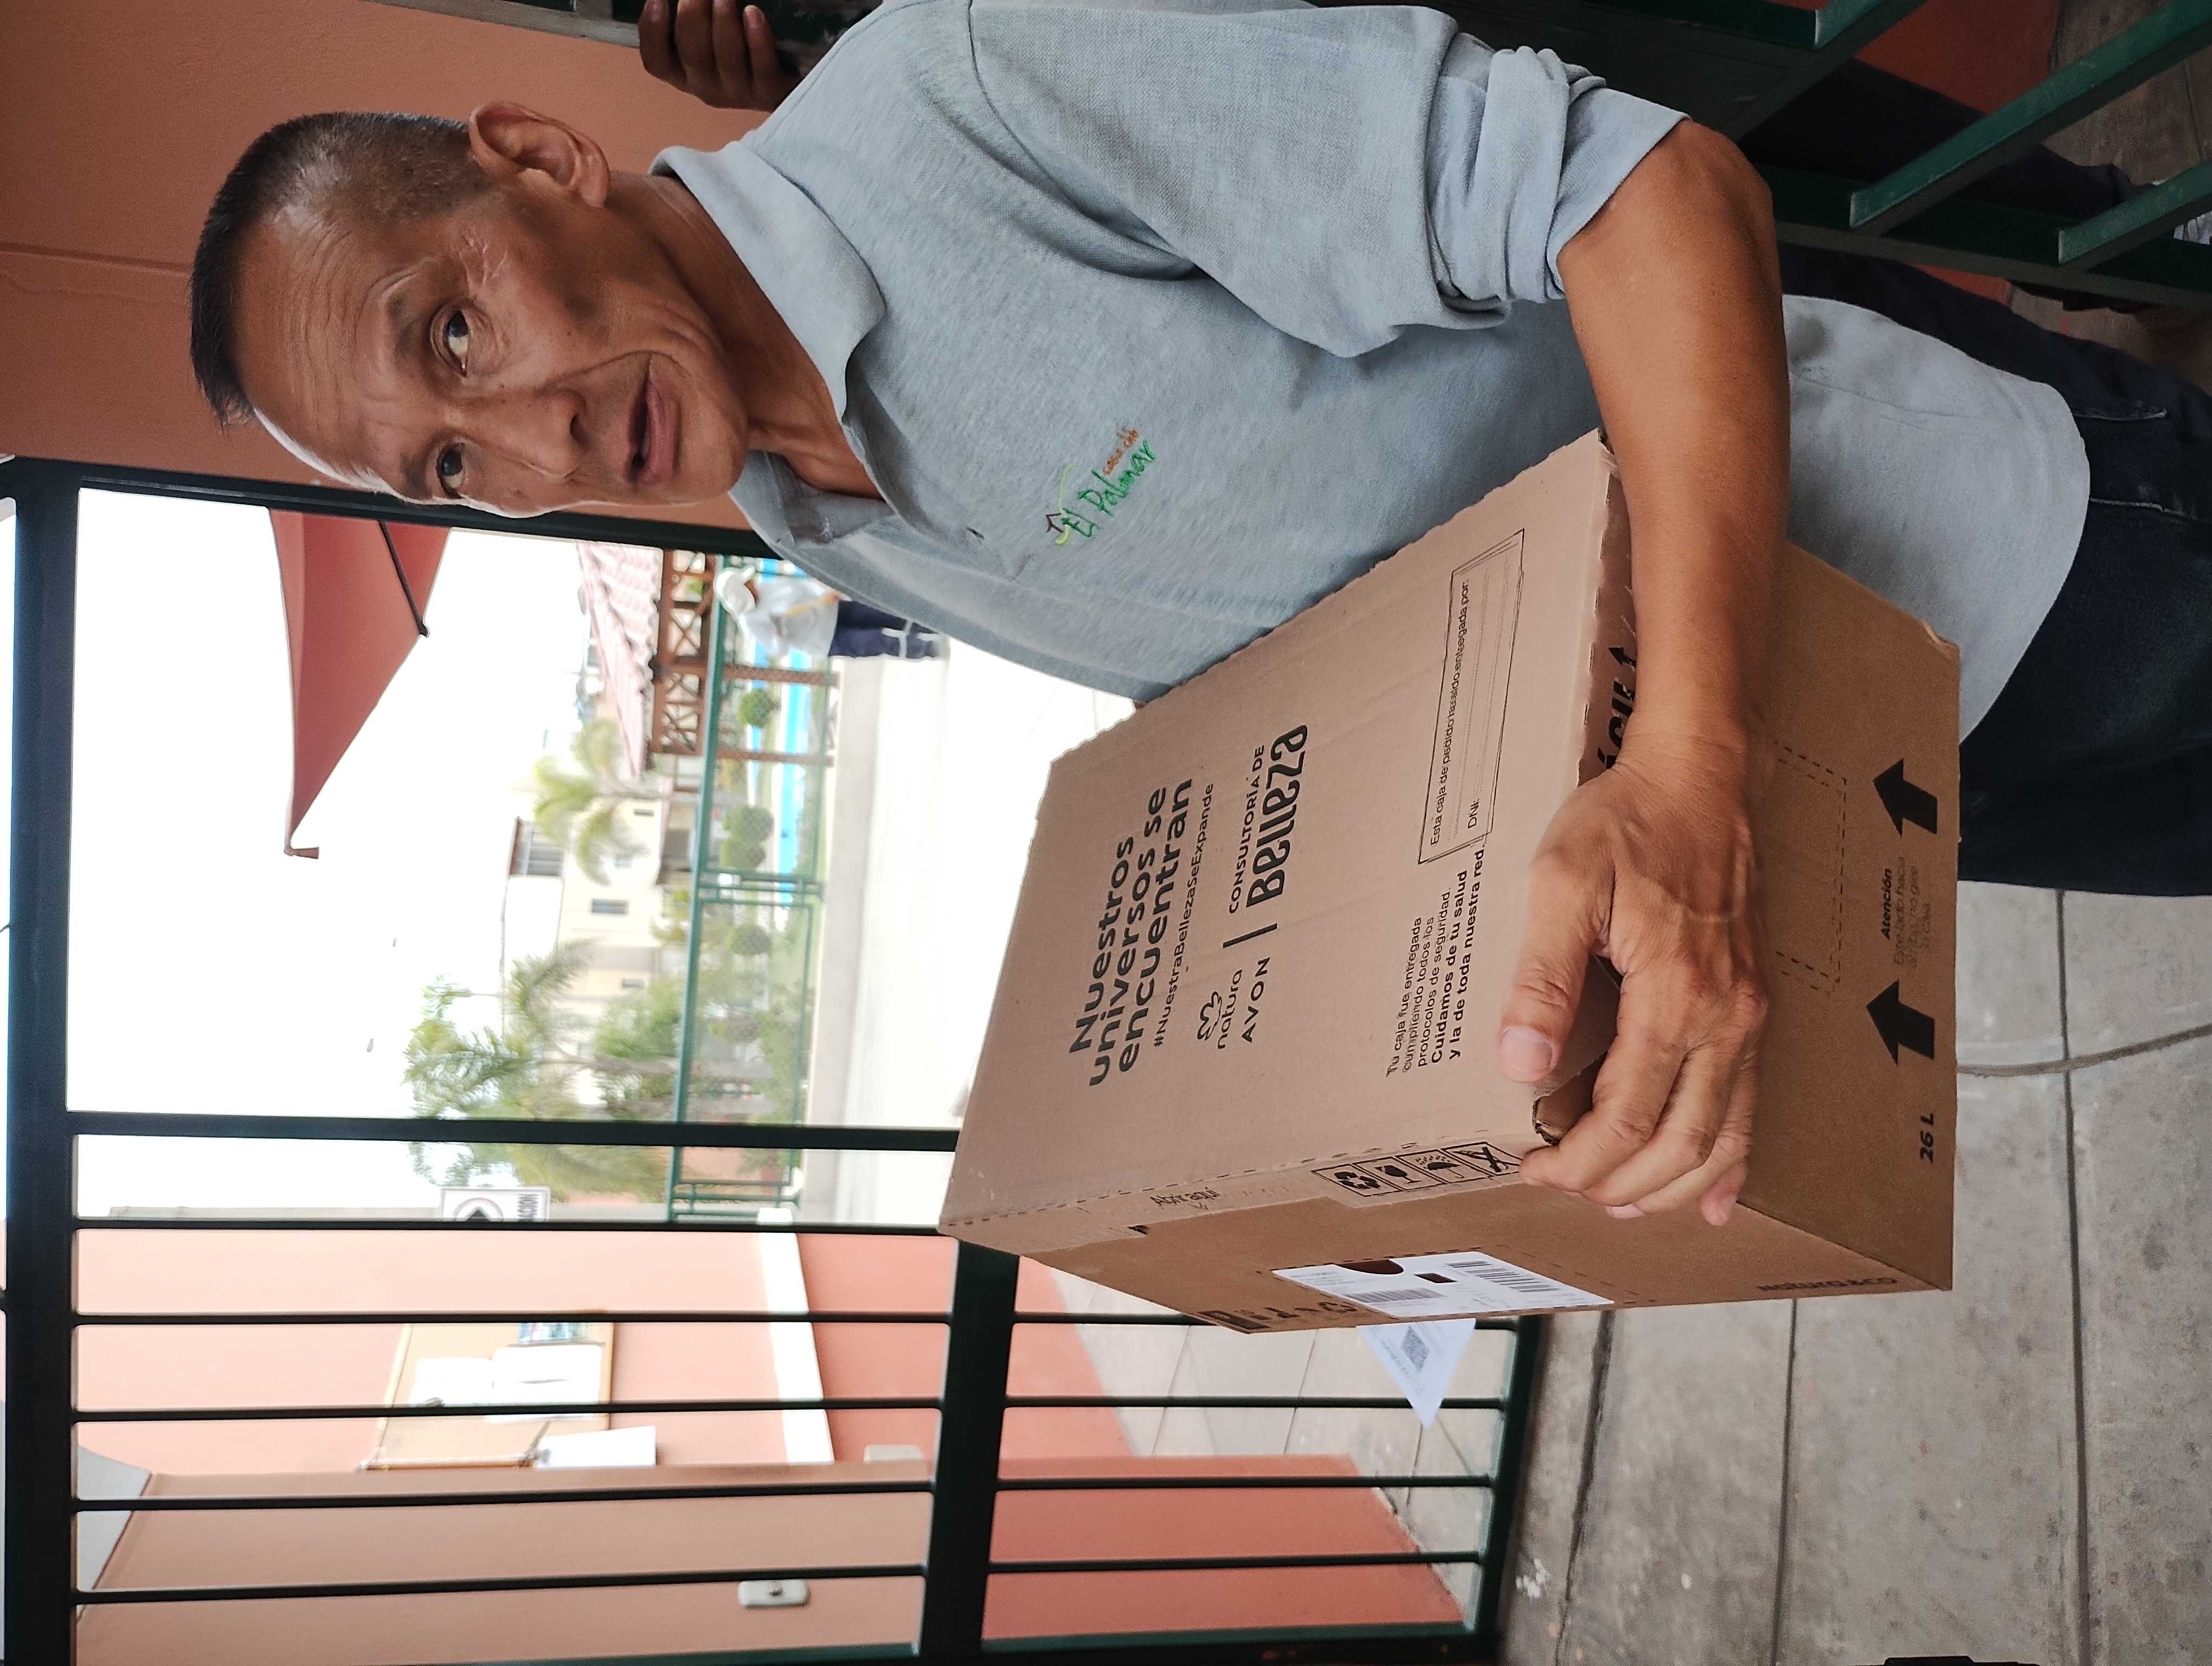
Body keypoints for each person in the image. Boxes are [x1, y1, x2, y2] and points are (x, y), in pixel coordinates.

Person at [186, 0, 2212, 1234]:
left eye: (456, 333)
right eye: (446, 469)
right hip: (1831, 793)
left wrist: (1677, 763)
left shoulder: (973, 86)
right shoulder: (814, 530)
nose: (526, 441)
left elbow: (1648, 191)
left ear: (537, 160)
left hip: (2006, 559)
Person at [714, 562, 942, 658]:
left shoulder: (765, 587)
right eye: (747, 583)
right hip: (826, 640)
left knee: (882, 615)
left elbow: (801, 588)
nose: (752, 582)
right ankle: (927, 649)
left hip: (833, 608)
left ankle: (931, 626)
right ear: (742, 591)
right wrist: (779, 631)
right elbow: (779, 650)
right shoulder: (751, 622)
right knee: (876, 641)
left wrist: (824, 592)